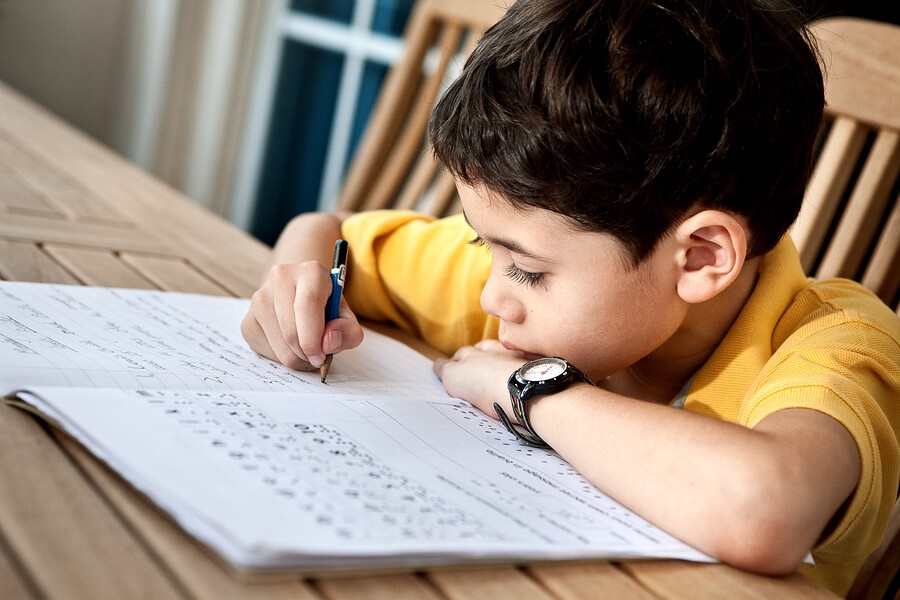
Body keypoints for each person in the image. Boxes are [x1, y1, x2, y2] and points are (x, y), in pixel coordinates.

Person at [241, 0, 900, 594]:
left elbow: (764, 509)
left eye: (527, 271)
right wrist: (299, 282)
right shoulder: (522, 270)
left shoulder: (837, 344)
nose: (495, 294)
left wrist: (528, 390)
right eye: (483, 246)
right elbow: (328, 233)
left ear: (700, 257)